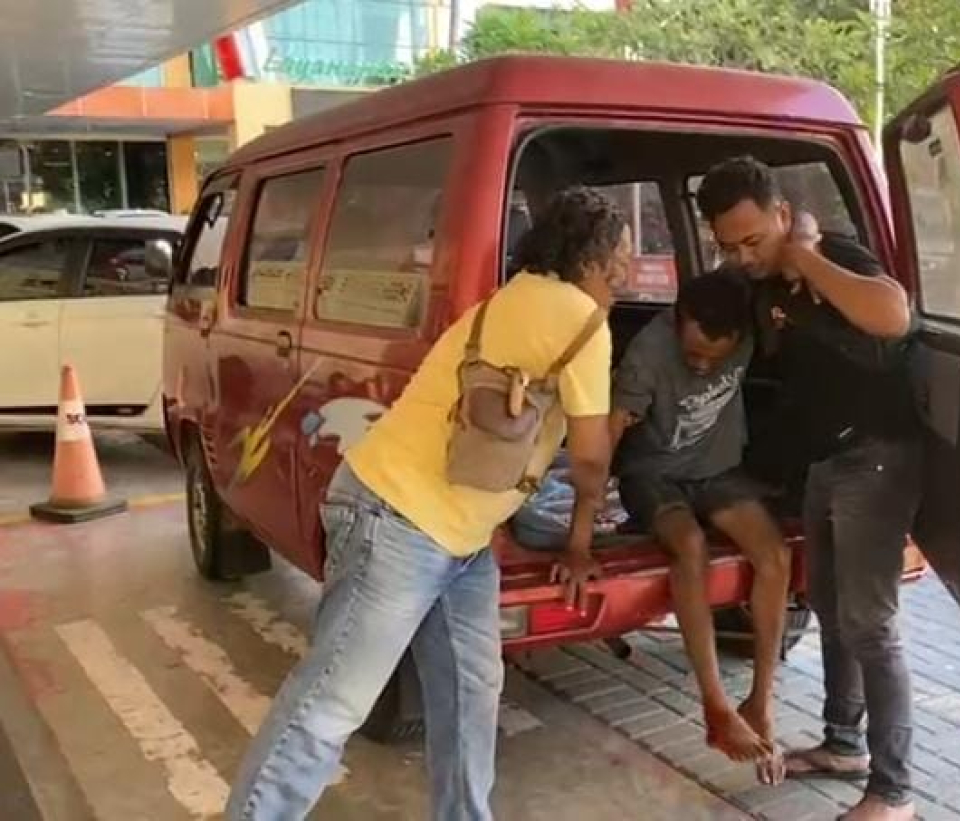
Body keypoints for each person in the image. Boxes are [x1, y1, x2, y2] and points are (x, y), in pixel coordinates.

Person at [226, 186, 630, 821]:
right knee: (332, 703)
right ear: (590, 259)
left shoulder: (512, 297)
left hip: (454, 535)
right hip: (398, 519)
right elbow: (589, 458)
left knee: (471, 692)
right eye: (620, 262)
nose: (625, 276)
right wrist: (584, 533)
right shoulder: (583, 319)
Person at [695, 156, 922, 821]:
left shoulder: (832, 254)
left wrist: (808, 260)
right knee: (827, 603)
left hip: (876, 458)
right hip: (826, 461)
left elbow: (894, 316)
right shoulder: (759, 282)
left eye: (753, 240)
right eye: (729, 246)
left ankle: (894, 793)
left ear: (784, 215)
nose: (743, 257)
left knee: (870, 623)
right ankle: (843, 744)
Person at [610, 269, 791, 775]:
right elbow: (610, 431)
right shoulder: (649, 351)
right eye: (693, 354)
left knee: (775, 556)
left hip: (717, 470)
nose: (702, 365)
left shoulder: (751, 330)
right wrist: (586, 518)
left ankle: (760, 702)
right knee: (690, 546)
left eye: (715, 359)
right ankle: (715, 707)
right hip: (653, 476)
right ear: (677, 321)